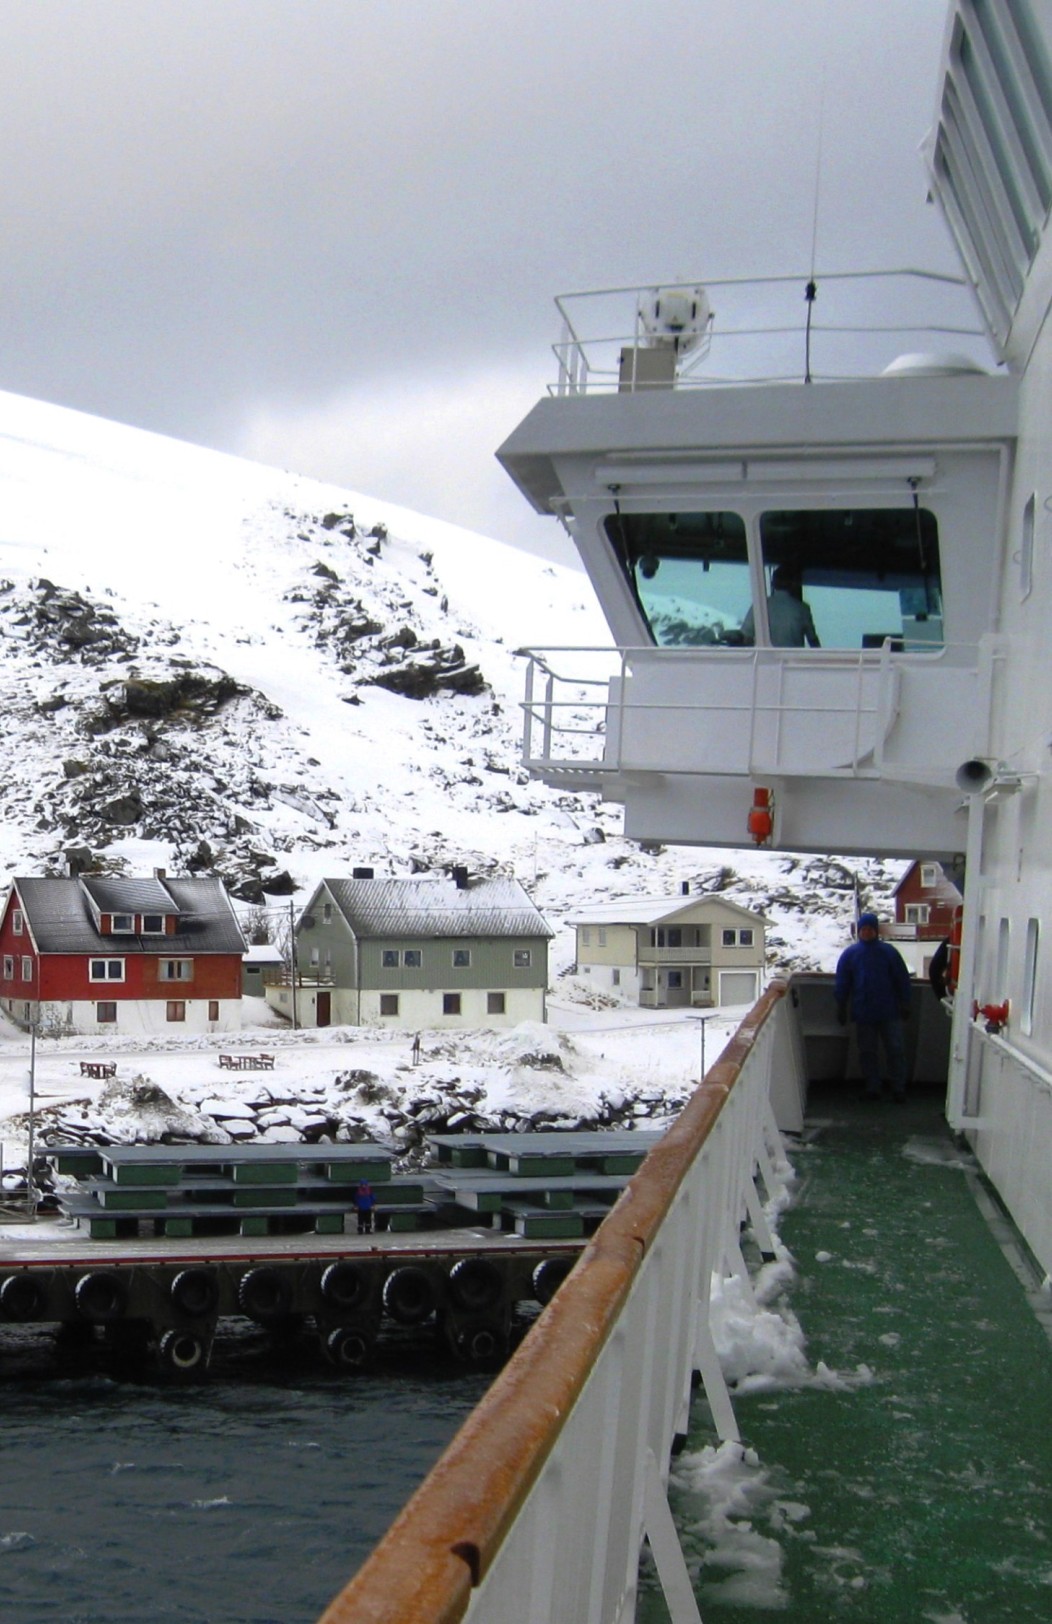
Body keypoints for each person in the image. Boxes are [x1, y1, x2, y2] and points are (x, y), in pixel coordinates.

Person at [835, 911, 913, 1101]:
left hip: (889, 1011)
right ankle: (873, 1087)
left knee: (895, 1049)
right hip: (863, 1012)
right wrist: (840, 1005)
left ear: (876, 931)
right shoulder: (850, 954)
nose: (867, 932)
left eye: (870, 929)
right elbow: (842, 982)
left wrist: (905, 1002)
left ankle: (898, 1087)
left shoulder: (889, 952)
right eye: (864, 929)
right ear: (859, 931)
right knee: (867, 1051)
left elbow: (902, 979)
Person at [741, 566, 821, 648]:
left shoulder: (759, 606)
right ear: (792, 584)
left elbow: (746, 637)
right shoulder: (803, 609)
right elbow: (813, 641)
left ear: (773, 584)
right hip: (795, 659)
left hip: (764, 659)